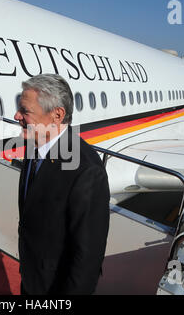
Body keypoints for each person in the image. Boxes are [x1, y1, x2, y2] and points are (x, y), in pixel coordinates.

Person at [14, 74, 110, 295]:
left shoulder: (86, 171)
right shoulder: (36, 145)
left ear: (57, 115)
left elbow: (87, 258)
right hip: (32, 277)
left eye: (25, 111)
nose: (16, 116)